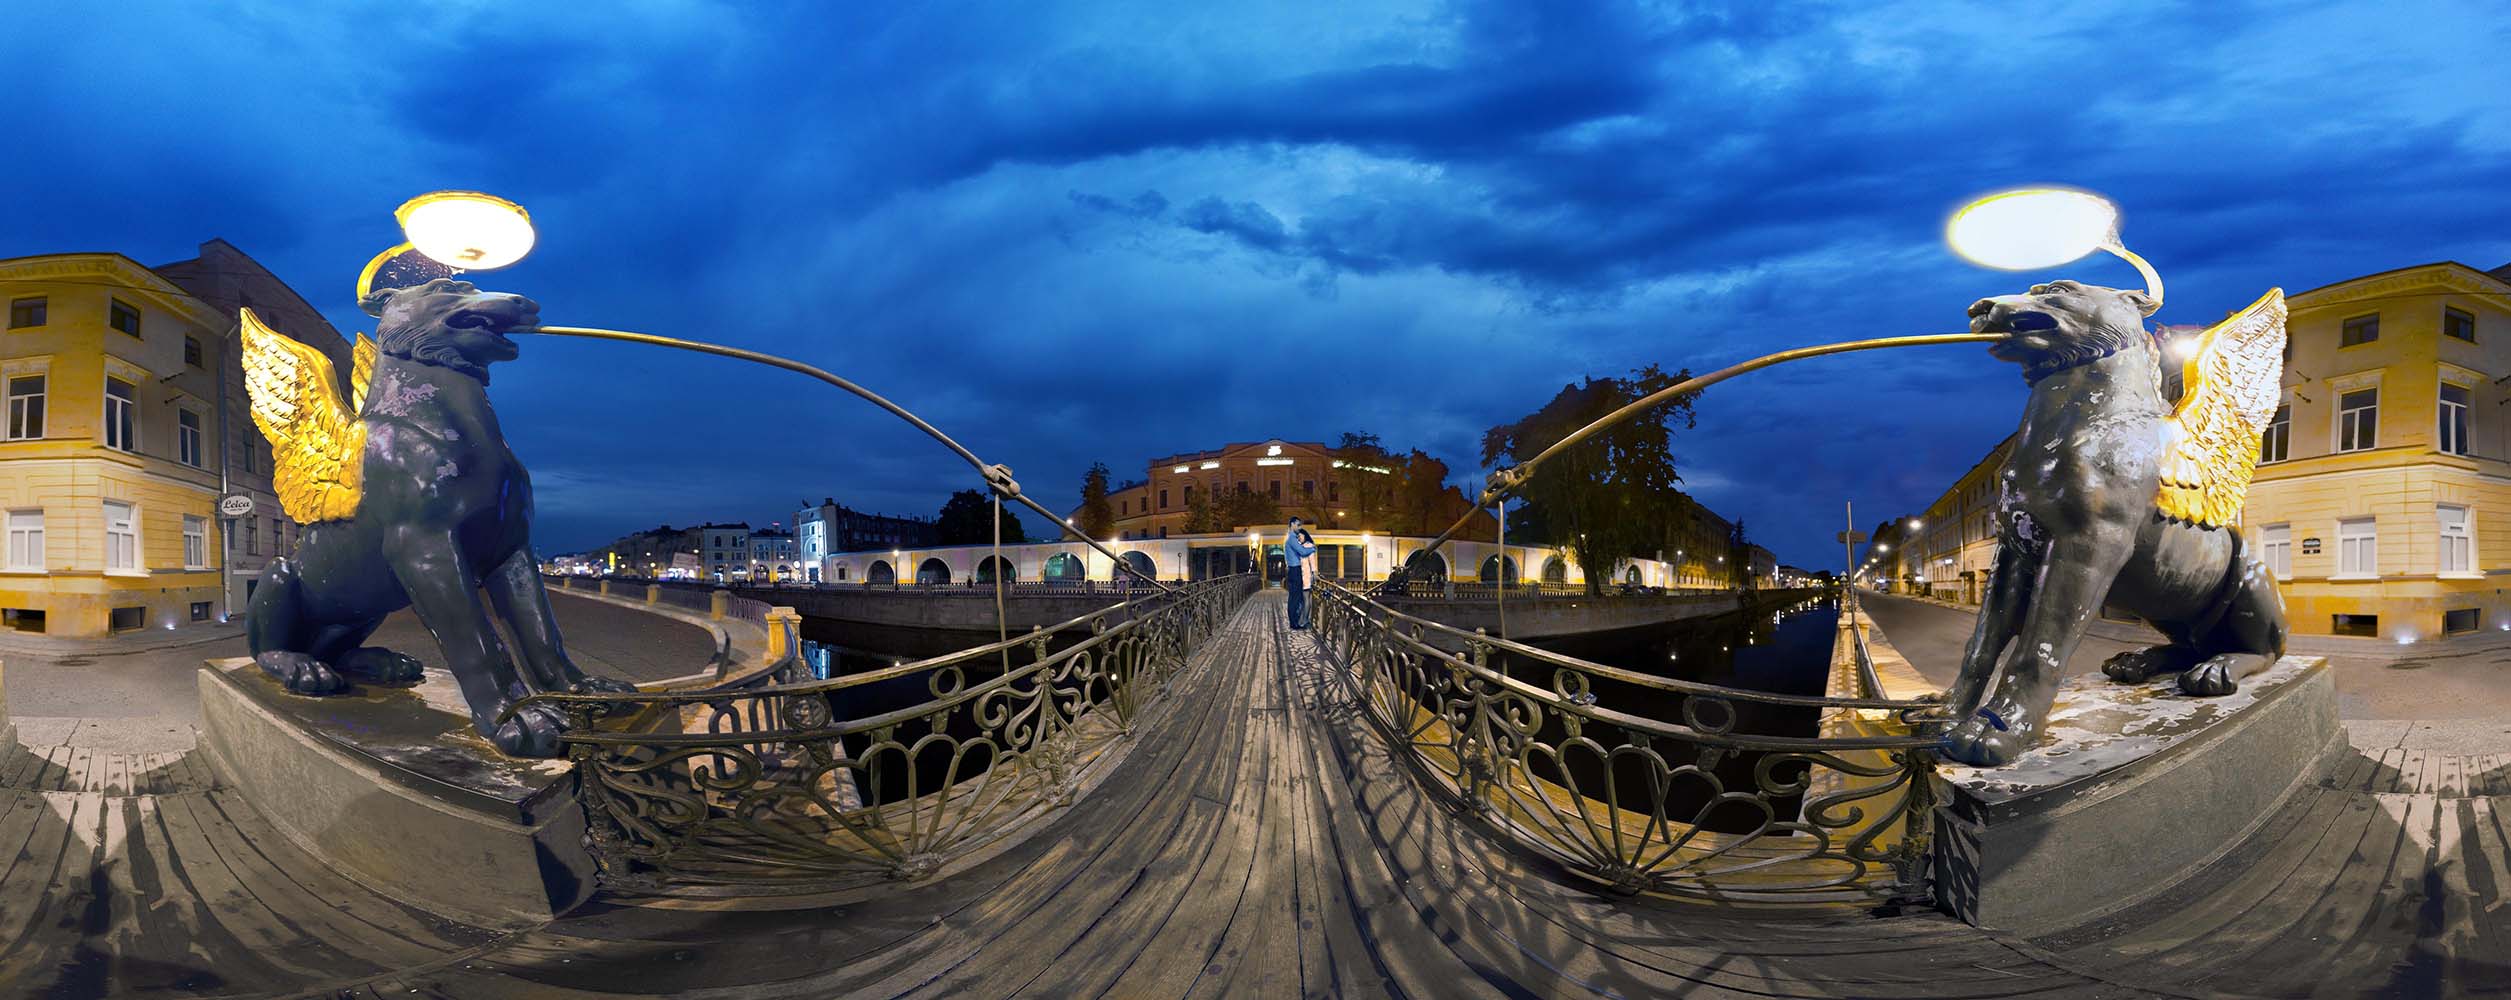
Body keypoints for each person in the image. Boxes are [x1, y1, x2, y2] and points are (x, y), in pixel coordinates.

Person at [1284, 516, 1316, 630]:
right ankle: (1294, 623)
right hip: (1295, 570)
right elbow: (1302, 552)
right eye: (1298, 525)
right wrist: (1313, 548)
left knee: (1295, 597)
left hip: (1293, 570)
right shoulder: (1292, 539)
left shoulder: (1291, 538)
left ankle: (1296, 621)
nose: (1299, 527)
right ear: (1292, 524)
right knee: (1295, 598)